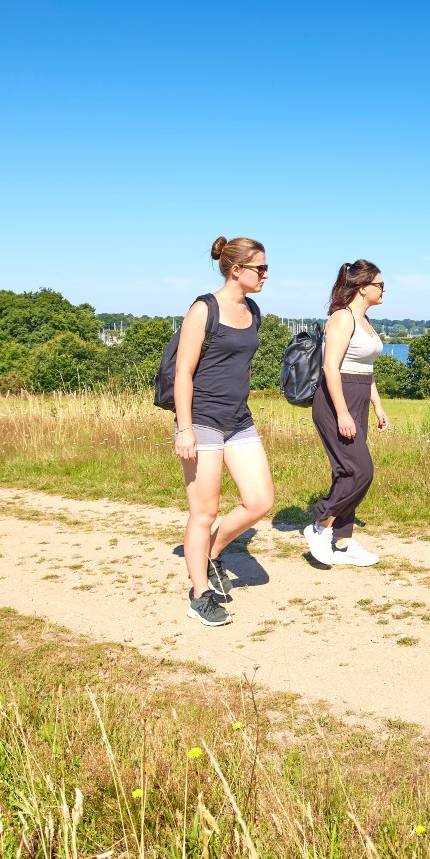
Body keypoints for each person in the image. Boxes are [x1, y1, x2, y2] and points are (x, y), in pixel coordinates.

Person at [172, 236, 276, 625]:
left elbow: (242, 365)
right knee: (204, 511)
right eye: (260, 268)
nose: (266, 275)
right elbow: (184, 372)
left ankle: (212, 554)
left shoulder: (253, 310)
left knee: (260, 501)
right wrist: (185, 429)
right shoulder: (204, 309)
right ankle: (199, 594)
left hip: (239, 418)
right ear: (237, 270)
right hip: (201, 419)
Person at [303, 260, 389, 566]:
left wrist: (377, 404)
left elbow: (366, 369)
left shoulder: (364, 320)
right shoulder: (342, 318)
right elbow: (330, 367)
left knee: (346, 471)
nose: (383, 290)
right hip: (335, 401)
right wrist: (342, 412)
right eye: (380, 284)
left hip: (359, 396)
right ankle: (320, 524)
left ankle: (343, 542)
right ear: (363, 287)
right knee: (360, 470)